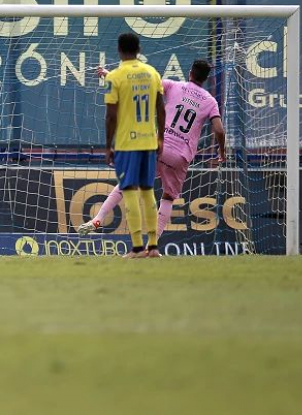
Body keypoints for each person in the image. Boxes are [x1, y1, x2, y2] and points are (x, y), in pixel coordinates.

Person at [80, 60, 226, 250]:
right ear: (206, 79)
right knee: (167, 198)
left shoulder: (174, 85)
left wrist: (108, 74)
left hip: (158, 146)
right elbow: (219, 130)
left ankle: (98, 219)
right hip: (180, 156)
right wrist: (221, 151)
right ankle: (152, 245)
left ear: (190, 73)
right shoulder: (210, 101)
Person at [101, 33, 165, 258]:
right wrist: (161, 138)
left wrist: (108, 146)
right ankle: (154, 246)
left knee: (129, 190)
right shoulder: (152, 73)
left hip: (127, 144)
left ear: (119, 50)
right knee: (148, 191)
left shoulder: (115, 77)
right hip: (149, 141)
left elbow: (111, 115)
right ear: (139, 48)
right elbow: (161, 108)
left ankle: (137, 247)